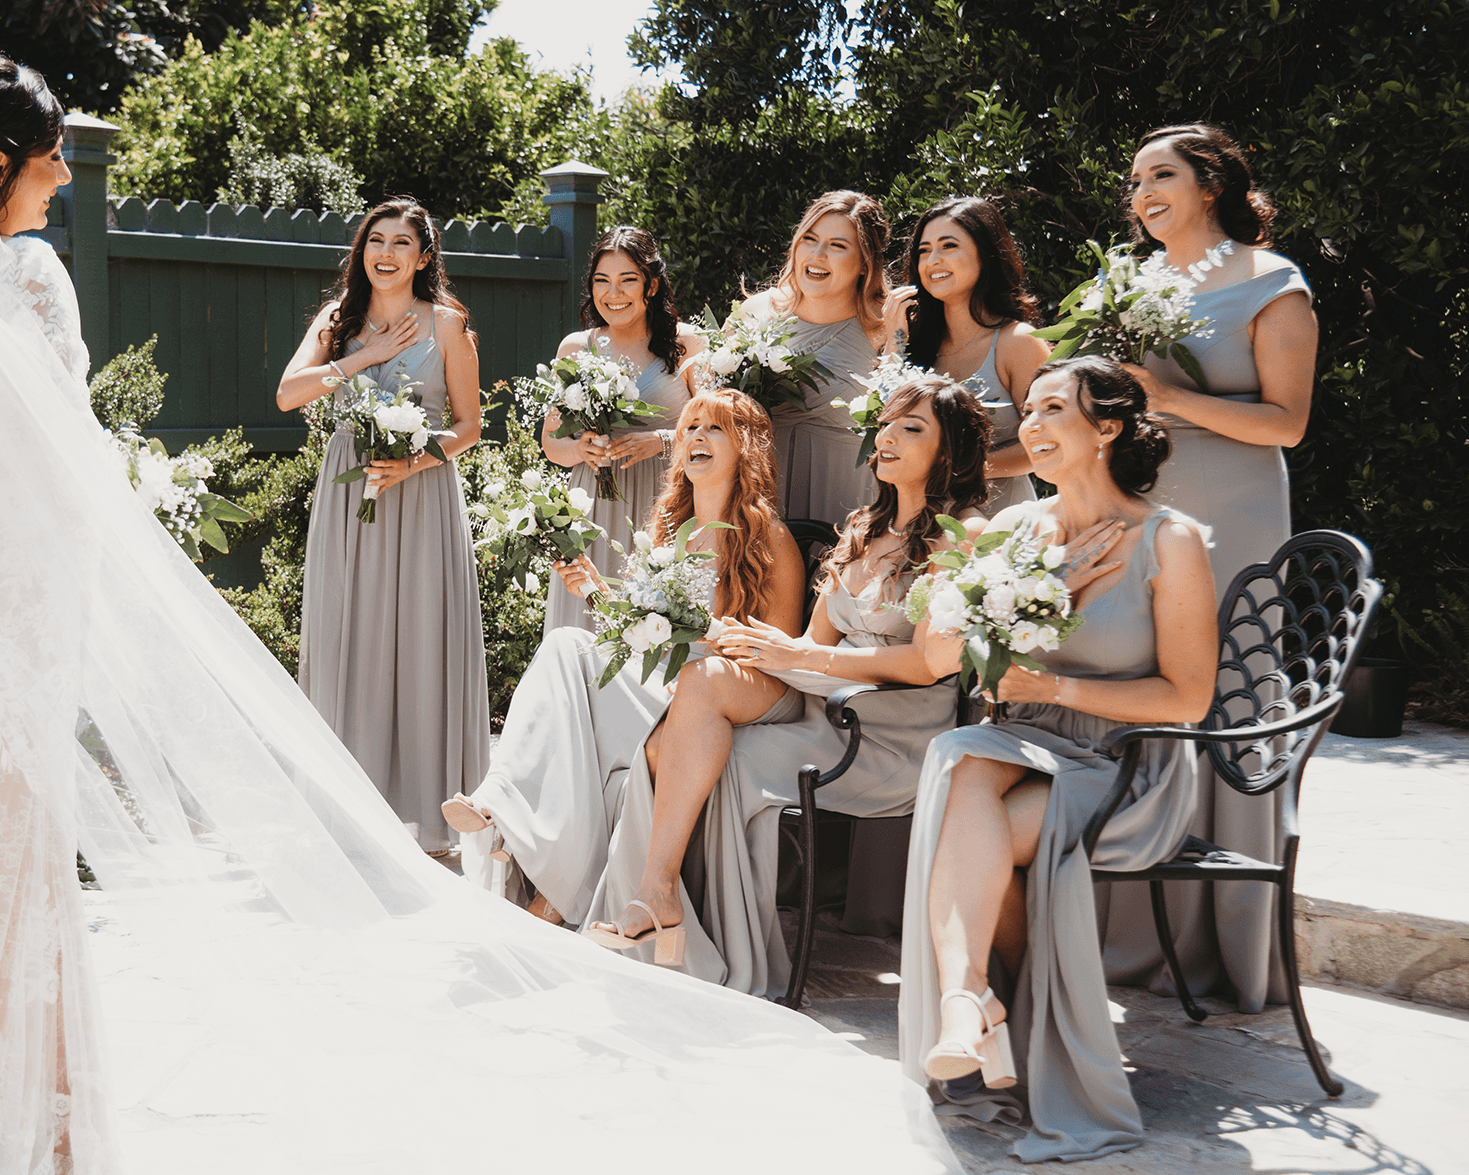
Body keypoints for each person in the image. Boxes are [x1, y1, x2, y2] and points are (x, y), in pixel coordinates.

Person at [0, 62, 967, 1175]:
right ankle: (40, 1116)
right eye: (50, 156)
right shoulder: (28, 276)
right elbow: (51, 455)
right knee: (11, 824)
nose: (65, 175)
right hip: (8, 571)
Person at [585, 375, 1006, 995]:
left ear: (951, 449)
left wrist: (800, 657)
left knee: (708, 747)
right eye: (885, 425)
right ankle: (660, 901)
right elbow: (812, 643)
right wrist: (758, 646)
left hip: (892, 733)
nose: (886, 437)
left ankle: (691, 930)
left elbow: (926, 665)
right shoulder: (863, 528)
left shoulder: (963, 536)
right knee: (702, 698)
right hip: (823, 706)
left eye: (910, 427)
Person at [898, 356, 1217, 1163]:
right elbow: (946, 657)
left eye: (1052, 410)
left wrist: (1056, 686)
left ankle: (986, 1010)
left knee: (969, 815)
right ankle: (968, 1000)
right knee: (961, 758)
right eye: (1027, 412)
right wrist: (1054, 586)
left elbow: (1187, 698)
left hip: (1124, 762)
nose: (1030, 427)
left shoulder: (1170, 541)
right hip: (1019, 743)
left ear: (1106, 427)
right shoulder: (1014, 529)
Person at [442, 389, 804, 931]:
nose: (697, 436)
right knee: (566, 644)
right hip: (659, 675)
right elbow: (642, 631)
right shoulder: (667, 530)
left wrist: (702, 639)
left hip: (717, 686)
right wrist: (596, 590)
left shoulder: (768, 538)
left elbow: (778, 653)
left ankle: (553, 891)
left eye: (715, 427)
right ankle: (499, 801)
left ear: (745, 447)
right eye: (690, 427)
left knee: (586, 723)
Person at [1111, 122, 1319, 1011]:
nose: (1142, 194)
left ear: (1211, 185)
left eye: (1159, 175)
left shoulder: (1272, 281)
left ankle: (1227, 938)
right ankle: (1130, 922)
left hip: (1234, 507)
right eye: (1134, 182)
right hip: (1143, 503)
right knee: (1140, 669)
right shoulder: (1132, 285)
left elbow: (1286, 424)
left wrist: (1168, 397)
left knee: (1226, 680)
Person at [276, 198, 490, 852]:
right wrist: (361, 356)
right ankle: (345, 811)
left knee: (421, 637)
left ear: (423, 258)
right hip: (350, 496)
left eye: (402, 243)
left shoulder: (447, 324)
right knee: (348, 634)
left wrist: (414, 462)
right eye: (376, 240)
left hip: (420, 496)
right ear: (361, 249)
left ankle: (430, 817)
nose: (387, 253)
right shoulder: (336, 319)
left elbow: (470, 427)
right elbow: (288, 393)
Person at [539, 226, 704, 635]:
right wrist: (581, 450)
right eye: (602, 281)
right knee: (587, 627)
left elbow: (722, 428)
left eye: (627, 280)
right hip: (593, 506)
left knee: (659, 625)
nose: (613, 293)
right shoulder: (576, 348)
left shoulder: (686, 344)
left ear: (651, 285)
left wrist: (661, 442)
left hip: (666, 500)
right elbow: (552, 444)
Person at [739, 191, 891, 525]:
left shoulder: (887, 325)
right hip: (760, 501)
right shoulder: (755, 313)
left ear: (865, 262)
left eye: (837, 246)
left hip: (849, 501)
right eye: (809, 239)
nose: (817, 255)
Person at [893, 195, 1051, 514]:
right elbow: (886, 426)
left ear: (986, 254)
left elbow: (1048, 441)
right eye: (924, 250)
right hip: (920, 518)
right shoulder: (914, 344)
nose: (933, 260)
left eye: (948, 246)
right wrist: (893, 336)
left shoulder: (1018, 342)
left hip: (1001, 519)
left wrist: (958, 470)